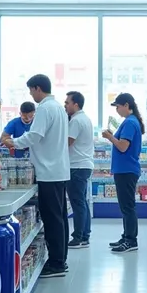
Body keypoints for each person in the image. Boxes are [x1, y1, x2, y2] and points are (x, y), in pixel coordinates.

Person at [2, 74, 70, 278]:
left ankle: (57, 263)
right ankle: (60, 258)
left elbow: (34, 136)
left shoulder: (44, 109)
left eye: (31, 90)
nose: (31, 94)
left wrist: (13, 142)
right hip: (58, 170)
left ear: (38, 88)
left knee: (52, 219)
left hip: (49, 172)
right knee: (60, 218)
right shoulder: (58, 107)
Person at [102, 92, 144, 254]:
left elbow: (123, 146)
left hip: (127, 170)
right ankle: (126, 235)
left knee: (127, 206)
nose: (117, 110)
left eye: (118, 107)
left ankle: (131, 240)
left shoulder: (130, 123)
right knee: (126, 206)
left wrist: (109, 137)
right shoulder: (130, 122)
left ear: (127, 105)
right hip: (124, 170)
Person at [64, 91, 94, 249]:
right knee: (82, 202)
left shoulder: (75, 121)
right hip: (84, 165)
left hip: (76, 166)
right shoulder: (85, 118)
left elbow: (67, 142)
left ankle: (78, 237)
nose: (65, 105)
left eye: (67, 102)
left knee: (78, 203)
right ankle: (85, 235)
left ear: (76, 104)